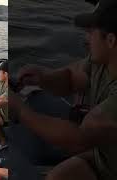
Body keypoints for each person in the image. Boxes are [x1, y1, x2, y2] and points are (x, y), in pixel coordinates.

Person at [8, 0, 117, 179]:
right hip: (104, 157)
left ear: (111, 40)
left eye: (90, 32)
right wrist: (43, 78)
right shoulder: (103, 61)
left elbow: (79, 139)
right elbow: (72, 78)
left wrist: (20, 110)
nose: (86, 38)